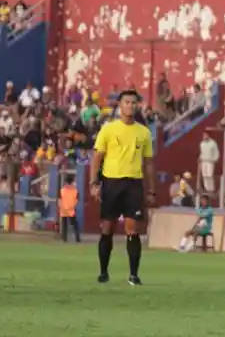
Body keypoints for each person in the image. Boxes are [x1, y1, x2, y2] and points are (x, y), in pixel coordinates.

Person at [90, 89, 156, 286]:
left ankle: (133, 275)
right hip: (111, 182)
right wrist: (94, 183)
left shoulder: (144, 132)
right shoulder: (108, 129)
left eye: (134, 103)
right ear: (119, 105)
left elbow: (149, 163)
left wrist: (151, 190)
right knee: (107, 228)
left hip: (133, 183)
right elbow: (97, 157)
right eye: (127, 102)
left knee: (132, 228)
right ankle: (103, 272)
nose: (131, 106)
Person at [58, 175, 81, 243]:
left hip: (63, 210)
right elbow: (77, 200)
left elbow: (59, 200)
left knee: (64, 225)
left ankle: (64, 239)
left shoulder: (61, 190)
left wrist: (62, 207)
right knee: (75, 225)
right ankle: (77, 239)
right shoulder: (75, 190)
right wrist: (72, 205)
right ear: (72, 182)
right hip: (71, 210)